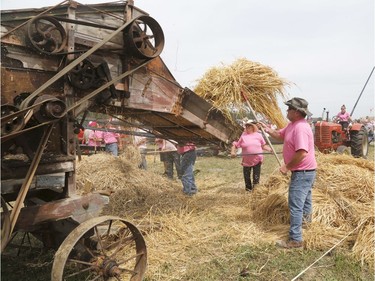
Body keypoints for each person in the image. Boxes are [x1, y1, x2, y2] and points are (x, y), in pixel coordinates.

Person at [260, 97, 317, 249]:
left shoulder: (300, 128)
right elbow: (279, 135)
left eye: (289, 108)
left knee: (295, 205)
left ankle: (296, 240)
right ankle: (305, 226)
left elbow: (302, 153)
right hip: (304, 171)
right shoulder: (292, 125)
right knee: (305, 201)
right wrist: (267, 129)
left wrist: (287, 166)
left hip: (302, 171)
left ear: (297, 112)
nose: (287, 110)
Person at [231, 119, 271, 191]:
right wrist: (233, 152)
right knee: (247, 177)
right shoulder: (243, 136)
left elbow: (263, 146)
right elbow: (236, 145)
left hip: (257, 159)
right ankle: (248, 190)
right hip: (247, 160)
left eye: (249, 126)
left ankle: (256, 191)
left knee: (256, 177)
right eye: (246, 127)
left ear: (253, 127)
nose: (247, 128)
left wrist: (270, 150)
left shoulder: (258, 135)